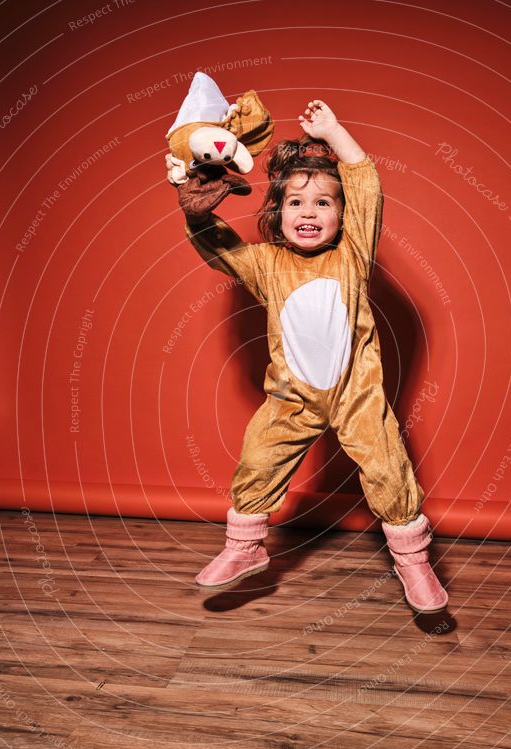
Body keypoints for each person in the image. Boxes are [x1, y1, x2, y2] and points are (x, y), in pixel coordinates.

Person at [166, 100, 448, 613]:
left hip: (356, 397)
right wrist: (196, 214)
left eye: (323, 203)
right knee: (258, 458)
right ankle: (244, 547)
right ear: (278, 212)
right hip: (291, 399)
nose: (309, 213)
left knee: (389, 471)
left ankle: (414, 563)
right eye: (296, 202)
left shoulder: (353, 255)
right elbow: (221, 247)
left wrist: (334, 132)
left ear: (343, 216)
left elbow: (365, 183)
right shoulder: (267, 264)